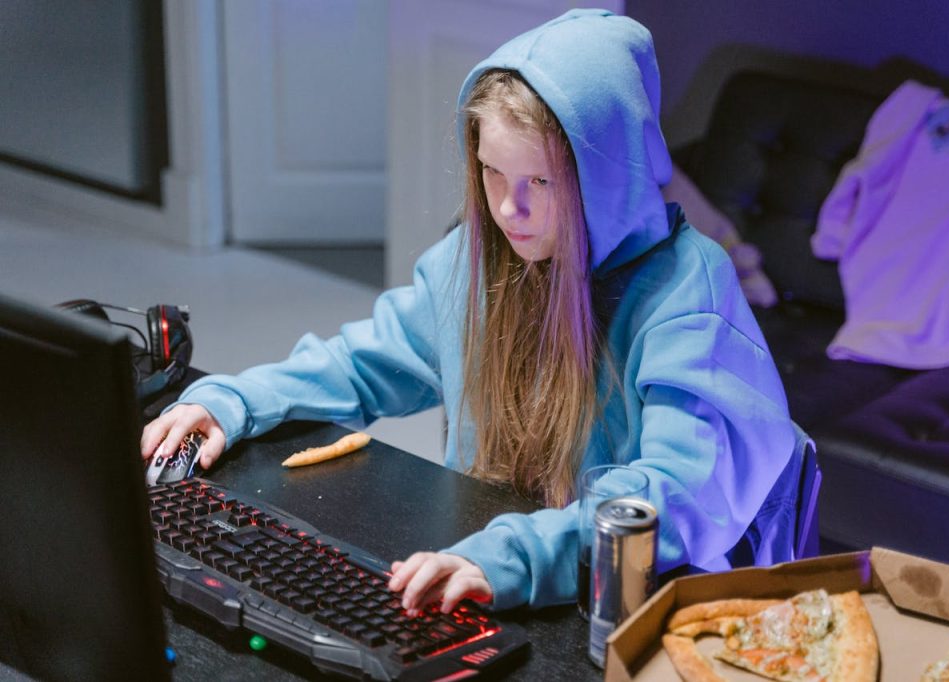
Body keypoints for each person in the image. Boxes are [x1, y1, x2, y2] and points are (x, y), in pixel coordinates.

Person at [141, 9, 802, 617]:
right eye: (492, 172)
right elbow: (364, 363)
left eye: (539, 181)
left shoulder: (688, 295)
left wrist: (509, 557)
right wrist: (235, 401)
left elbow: (670, 496)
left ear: (607, 180)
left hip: (629, 609)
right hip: (499, 572)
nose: (508, 209)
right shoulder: (481, 256)